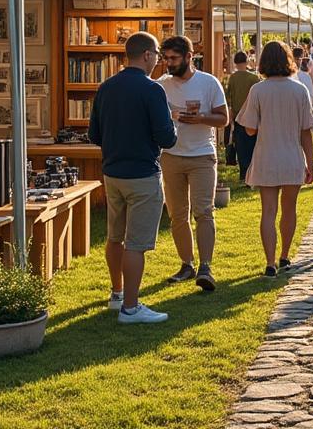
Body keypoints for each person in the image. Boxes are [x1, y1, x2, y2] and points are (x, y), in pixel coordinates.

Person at [88, 32, 176, 323]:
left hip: (112, 172)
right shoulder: (152, 90)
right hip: (142, 173)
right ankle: (131, 306)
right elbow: (166, 137)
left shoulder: (106, 87)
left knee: (114, 236)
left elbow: (94, 135)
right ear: (148, 55)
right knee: (136, 242)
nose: (159, 62)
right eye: (158, 56)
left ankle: (117, 293)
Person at [236, 41, 313, 276]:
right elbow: (306, 132)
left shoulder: (258, 90)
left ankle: (270, 261)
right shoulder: (299, 89)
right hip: (292, 155)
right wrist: (310, 164)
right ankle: (284, 255)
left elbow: (249, 129)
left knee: (268, 211)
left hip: (267, 156)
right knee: (289, 209)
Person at [155, 36, 228, 291]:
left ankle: (205, 266)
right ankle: (186, 264)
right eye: (165, 59)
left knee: (204, 212)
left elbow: (224, 118)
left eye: (173, 58)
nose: (168, 64)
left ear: (189, 56)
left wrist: (202, 118)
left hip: (201, 156)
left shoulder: (209, 82)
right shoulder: (161, 85)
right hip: (171, 155)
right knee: (177, 215)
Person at [226, 51, 262, 182]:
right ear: (247, 62)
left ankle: (243, 173)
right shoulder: (254, 78)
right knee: (252, 144)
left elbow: (228, 96)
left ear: (235, 62)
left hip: (238, 116)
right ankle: (252, 172)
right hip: (253, 115)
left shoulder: (232, 78)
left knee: (240, 146)